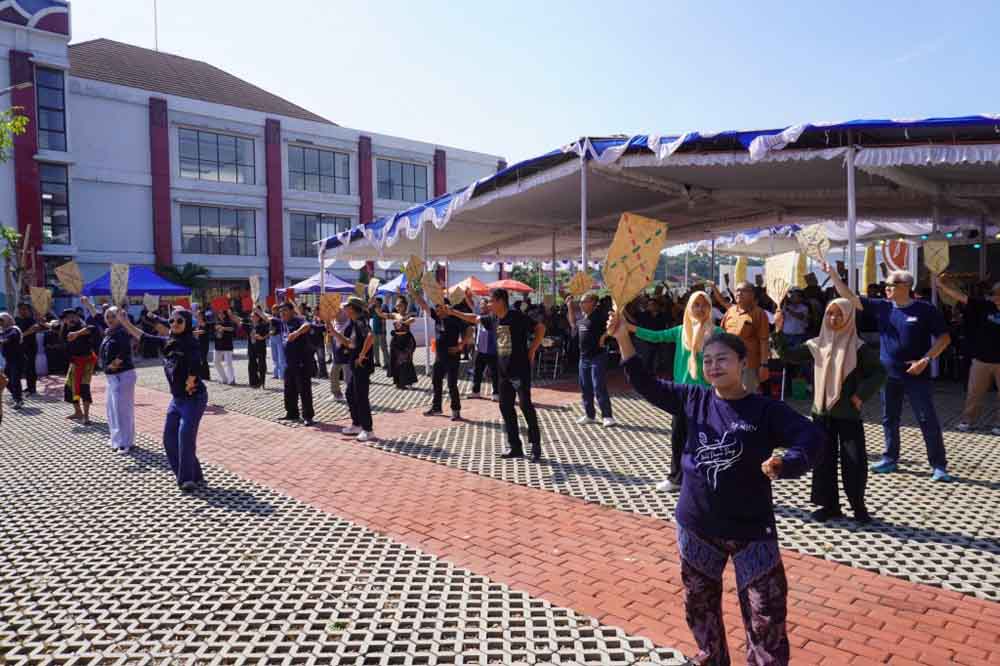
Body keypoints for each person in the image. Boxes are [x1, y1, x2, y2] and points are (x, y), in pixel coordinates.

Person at [608, 312, 822, 666]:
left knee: (766, 613)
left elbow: (811, 436)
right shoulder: (694, 399)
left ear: (742, 362)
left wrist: (788, 463)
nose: (713, 366)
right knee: (699, 604)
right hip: (697, 525)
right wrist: (622, 338)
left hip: (751, 529)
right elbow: (646, 384)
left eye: (722, 359)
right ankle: (711, 658)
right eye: (707, 360)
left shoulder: (766, 410)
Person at [827, 264, 952, 481]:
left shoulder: (925, 309)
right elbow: (849, 296)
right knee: (889, 418)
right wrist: (832, 274)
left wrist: (926, 360)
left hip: (916, 374)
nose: (886, 288)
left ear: (905, 286)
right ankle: (890, 458)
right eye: (885, 285)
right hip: (888, 374)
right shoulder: (883, 307)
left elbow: (944, 338)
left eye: (890, 285)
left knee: (926, 419)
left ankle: (939, 465)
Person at [774, 299, 886, 523]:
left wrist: (860, 395)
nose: (834, 318)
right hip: (822, 414)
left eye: (839, 314)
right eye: (830, 314)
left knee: (854, 461)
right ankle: (830, 506)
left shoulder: (858, 347)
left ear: (849, 317)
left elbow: (879, 373)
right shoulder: (817, 344)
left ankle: (858, 506)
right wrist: (778, 331)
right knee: (823, 460)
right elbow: (788, 355)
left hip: (848, 414)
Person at [625, 291, 721, 493]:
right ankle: (676, 478)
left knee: (705, 438)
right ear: (689, 308)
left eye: (704, 305)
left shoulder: (717, 333)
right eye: (696, 305)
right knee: (678, 437)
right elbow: (655, 336)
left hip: (706, 394)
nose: (700, 309)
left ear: (710, 308)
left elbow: (734, 350)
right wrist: (629, 327)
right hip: (681, 393)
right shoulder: (681, 331)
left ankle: (704, 479)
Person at [448, 288, 546, 461]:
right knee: (505, 407)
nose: (488, 304)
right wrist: (453, 312)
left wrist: (532, 351)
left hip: (520, 370)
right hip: (503, 372)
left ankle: (535, 445)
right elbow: (475, 318)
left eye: (491, 301)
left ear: (501, 301)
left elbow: (540, 328)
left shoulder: (517, 316)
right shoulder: (493, 318)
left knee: (525, 406)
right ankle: (515, 446)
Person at [119, 308, 207, 492]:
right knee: (169, 439)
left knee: (185, 436)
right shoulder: (168, 342)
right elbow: (143, 337)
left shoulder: (191, 343)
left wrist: (191, 379)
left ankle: (187, 479)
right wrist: (125, 322)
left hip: (193, 398)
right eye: (172, 321)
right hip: (177, 399)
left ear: (187, 324)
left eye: (179, 321)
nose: (174, 324)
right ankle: (196, 474)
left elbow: (196, 363)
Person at [935, 276, 1000, 433]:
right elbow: (961, 297)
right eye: (995, 294)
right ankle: (968, 421)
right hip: (981, 360)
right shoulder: (984, 305)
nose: (996, 297)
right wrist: (941, 286)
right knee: (974, 393)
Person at [413, 289, 470, 421]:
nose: (437, 310)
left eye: (439, 308)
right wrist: (414, 293)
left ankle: (456, 411)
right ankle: (436, 407)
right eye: (436, 308)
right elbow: (424, 305)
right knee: (436, 381)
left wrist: (461, 346)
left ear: (445, 308)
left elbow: (469, 329)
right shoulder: (437, 317)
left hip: (452, 357)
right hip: (440, 357)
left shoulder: (455, 319)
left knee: (451, 384)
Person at [330, 297, 376, 441]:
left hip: (362, 366)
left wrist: (362, 354)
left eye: (346, 307)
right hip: (355, 366)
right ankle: (357, 424)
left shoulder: (361, 321)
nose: (344, 309)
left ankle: (368, 430)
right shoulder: (354, 323)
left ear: (352, 308)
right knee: (350, 394)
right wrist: (333, 332)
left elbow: (371, 336)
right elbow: (350, 343)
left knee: (361, 397)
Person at [567, 292, 614, 427]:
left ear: (593, 303)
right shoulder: (583, 317)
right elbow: (573, 324)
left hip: (597, 356)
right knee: (585, 387)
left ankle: (607, 416)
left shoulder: (600, 316)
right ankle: (589, 415)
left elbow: (613, 326)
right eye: (580, 302)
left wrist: (604, 337)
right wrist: (570, 306)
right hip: (584, 357)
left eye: (584, 302)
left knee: (598, 385)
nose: (581, 304)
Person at [717, 281, 770, 393]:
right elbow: (721, 335)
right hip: (728, 363)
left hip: (749, 365)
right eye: (737, 290)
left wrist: (764, 365)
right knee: (728, 394)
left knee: (746, 396)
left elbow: (764, 341)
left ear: (752, 295)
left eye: (743, 291)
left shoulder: (759, 313)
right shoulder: (730, 311)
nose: (739, 293)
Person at [99, 305, 138, 452]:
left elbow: (124, 352)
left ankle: (125, 443)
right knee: (112, 410)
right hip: (112, 376)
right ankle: (116, 439)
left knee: (123, 410)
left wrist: (113, 365)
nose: (110, 319)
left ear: (120, 318)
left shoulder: (122, 332)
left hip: (123, 375)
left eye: (113, 316)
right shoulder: (110, 332)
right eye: (107, 316)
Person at [274, 302, 315, 425]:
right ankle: (292, 413)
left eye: (285, 310)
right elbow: (267, 318)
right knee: (289, 389)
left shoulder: (298, 320)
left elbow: (307, 325)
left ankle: (308, 416)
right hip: (289, 362)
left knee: (304, 389)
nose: (282, 313)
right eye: (281, 311)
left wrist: (296, 333)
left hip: (301, 361)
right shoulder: (282, 323)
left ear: (292, 311)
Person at [58, 307, 98, 425]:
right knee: (70, 387)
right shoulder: (64, 329)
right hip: (74, 362)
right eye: (67, 317)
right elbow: (51, 325)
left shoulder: (82, 326)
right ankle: (78, 412)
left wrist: (77, 333)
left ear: (77, 317)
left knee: (84, 387)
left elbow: (92, 328)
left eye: (72, 316)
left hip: (86, 362)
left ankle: (86, 416)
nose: (70, 319)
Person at [375, 296, 418, 389]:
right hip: (396, 341)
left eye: (400, 305)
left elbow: (412, 320)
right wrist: (377, 307)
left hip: (406, 341)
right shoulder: (394, 315)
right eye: (397, 305)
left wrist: (405, 322)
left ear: (405, 306)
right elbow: (381, 314)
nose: (398, 307)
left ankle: (408, 381)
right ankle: (398, 382)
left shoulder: (408, 315)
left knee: (406, 360)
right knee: (395, 361)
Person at [468, 296, 498, 401]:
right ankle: (475, 392)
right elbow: (471, 306)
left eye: (483, 304)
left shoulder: (492, 317)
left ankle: (496, 393)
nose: (481, 306)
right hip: (479, 348)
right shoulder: (479, 315)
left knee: (494, 372)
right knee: (477, 371)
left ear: (488, 306)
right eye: (480, 304)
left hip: (491, 349)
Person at [14, 302, 40, 396]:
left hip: (30, 347)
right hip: (20, 347)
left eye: (25, 309)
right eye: (21, 309)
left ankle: (32, 388)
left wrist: (22, 335)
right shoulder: (16, 320)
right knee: (22, 368)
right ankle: (27, 387)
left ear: (29, 310)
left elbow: (34, 328)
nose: (22, 311)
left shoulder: (32, 320)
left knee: (30, 367)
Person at [0, 313, 24, 410]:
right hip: (8, 360)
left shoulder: (14, 329)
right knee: (6, 380)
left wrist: (2, 341)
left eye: (2, 320)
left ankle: (18, 400)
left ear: (7, 320)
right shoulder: (2, 331)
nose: (0, 323)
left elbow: (11, 337)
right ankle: (16, 397)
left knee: (15, 380)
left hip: (17, 359)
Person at [211, 308, 237, 385]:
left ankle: (231, 380)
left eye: (222, 313)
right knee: (216, 362)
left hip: (227, 344)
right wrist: (216, 331)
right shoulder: (216, 322)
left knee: (228, 363)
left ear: (225, 314)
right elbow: (213, 332)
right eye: (219, 313)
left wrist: (223, 328)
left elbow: (232, 329)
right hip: (218, 345)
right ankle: (224, 378)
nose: (221, 315)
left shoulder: (229, 321)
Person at [246, 308, 270, 389]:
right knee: (251, 365)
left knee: (261, 365)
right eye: (251, 316)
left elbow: (270, 332)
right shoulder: (249, 325)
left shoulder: (263, 325)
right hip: (251, 347)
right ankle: (254, 382)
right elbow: (238, 321)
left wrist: (262, 337)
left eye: (253, 316)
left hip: (260, 347)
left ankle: (262, 381)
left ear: (258, 317)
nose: (252, 317)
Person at [370, 296, 390, 367]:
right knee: (375, 347)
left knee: (383, 347)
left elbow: (385, 316)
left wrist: (378, 311)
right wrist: (370, 301)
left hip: (381, 331)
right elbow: (367, 309)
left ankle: (387, 362)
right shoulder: (373, 308)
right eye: (374, 301)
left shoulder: (383, 308)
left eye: (375, 301)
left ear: (379, 302)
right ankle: (377, 362)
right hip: (375, 331)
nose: (374, 302)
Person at [268, 304, 286, 380]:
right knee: (274, 357)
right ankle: (275, 373)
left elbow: (279, 322)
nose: (274, 311)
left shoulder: (280, 318)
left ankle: (282, 374)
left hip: (279, 337)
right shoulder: (271, 317)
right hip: (272, 337)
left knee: (281, 357)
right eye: (273, 309)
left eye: (276, 309)